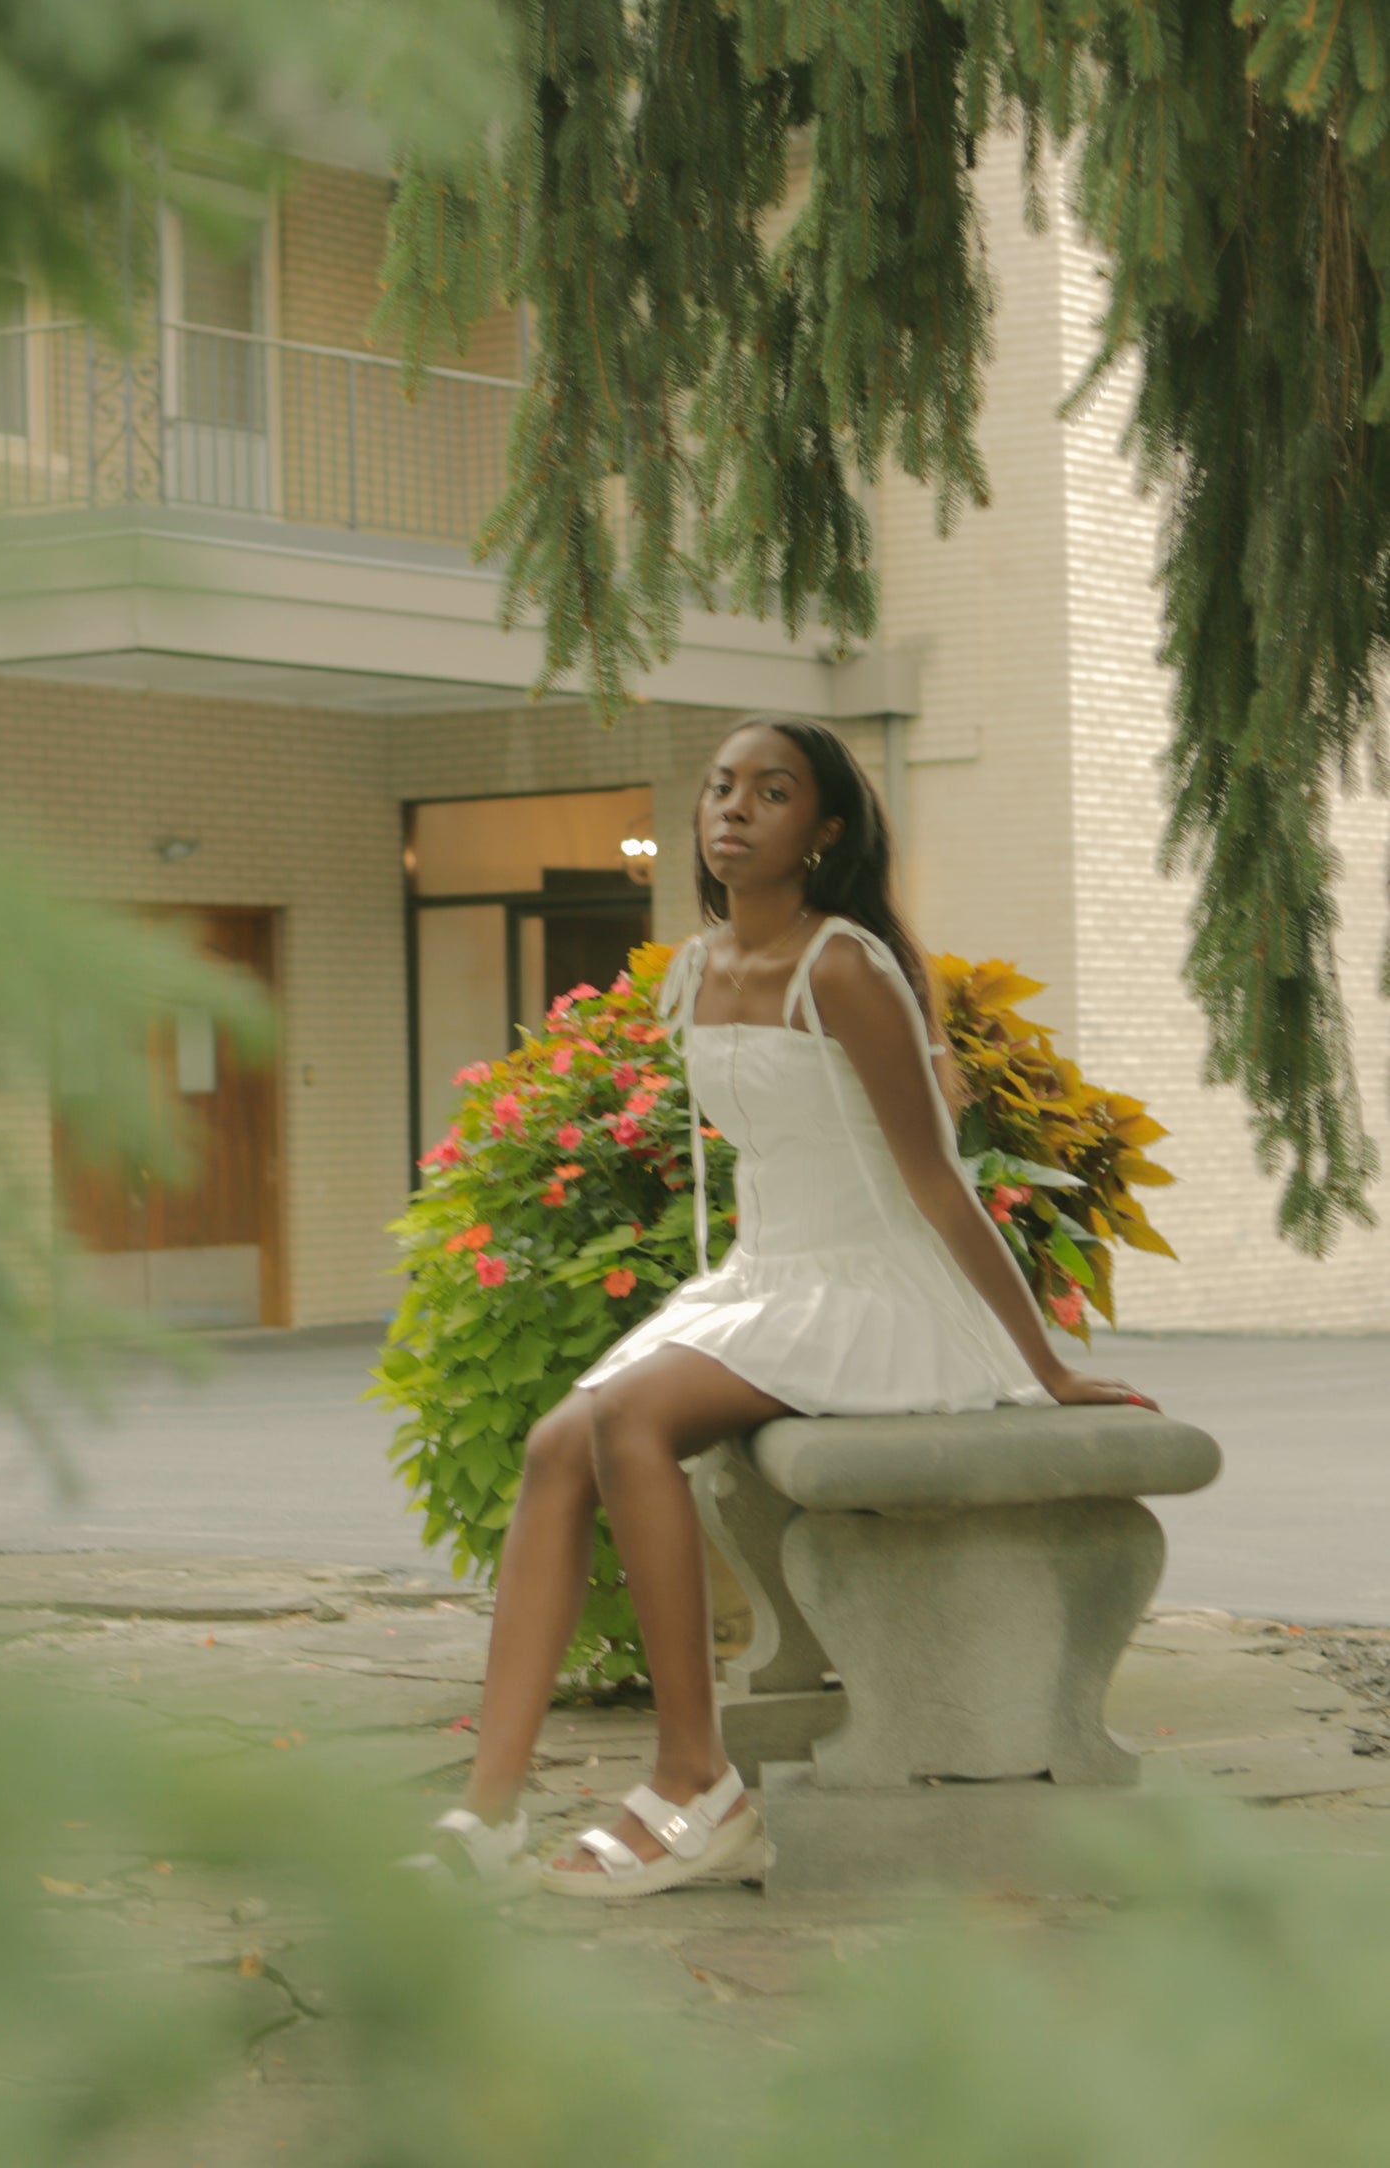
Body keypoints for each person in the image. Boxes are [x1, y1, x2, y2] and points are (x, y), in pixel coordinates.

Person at [408, 717, 1162, 1902]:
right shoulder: (695, 965)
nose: (733, 809)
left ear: (821, 831)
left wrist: (1044, 1363)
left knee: (630, 1423)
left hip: (873, 1287)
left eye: (770, 792)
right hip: (766, 1276)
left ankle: (694, 1783)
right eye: (719, 787)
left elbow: (931, 1181)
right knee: (559, 1444)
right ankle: (486, 1810)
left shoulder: (843, 967)